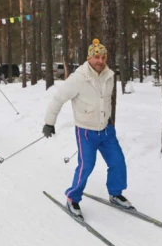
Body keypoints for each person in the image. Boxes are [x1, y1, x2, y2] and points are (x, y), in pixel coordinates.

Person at [42, 39, 131, 220]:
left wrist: (107, 118)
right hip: (86, 131)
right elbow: (58, 99)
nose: (100, 60)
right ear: (89, 58)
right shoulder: (78, 78)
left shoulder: (109, 76)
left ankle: (115, 193)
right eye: (96, 57)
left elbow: (106, 100)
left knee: (118, 162)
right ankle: (72, 198)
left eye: (103, 57)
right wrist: (49, 123)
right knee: (86, 166)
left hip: (106, 130)